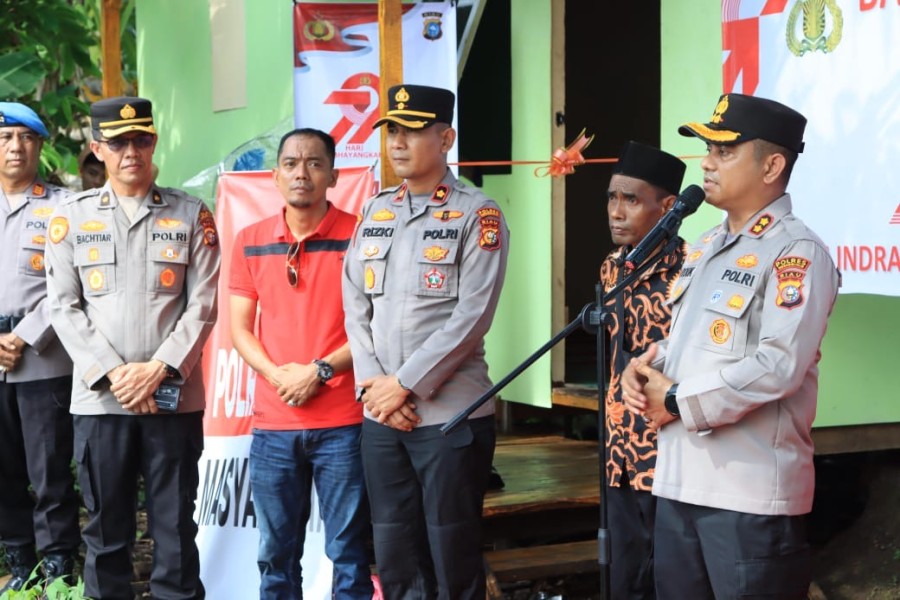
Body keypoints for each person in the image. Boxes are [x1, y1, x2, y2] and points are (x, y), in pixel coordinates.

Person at [621, 93, 840, 599]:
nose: (707, 163)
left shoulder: (796, 251)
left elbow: (778, 364)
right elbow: (700, 341)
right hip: (679, 481)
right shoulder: (706, 245)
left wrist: (675, 399)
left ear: (772, 166)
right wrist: (647, 364)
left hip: (748, 495)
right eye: (708, 150)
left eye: (724, 151)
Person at [44, 96, 220, 599]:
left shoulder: (191, 214)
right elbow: (63, 307)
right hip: (102, 401)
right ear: (98, 148)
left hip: (172, 400)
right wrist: (116, 373)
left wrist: (158, 369)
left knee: (175, 529)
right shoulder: (70, 218)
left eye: (141, 140)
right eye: (118, 143)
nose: (131, 152)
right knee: (106, 532)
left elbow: (204, 304)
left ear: (153, 143)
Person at [342, 84, 509, 599]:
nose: (397, 142)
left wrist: (405, 385)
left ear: (446, 138)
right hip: (381, 416)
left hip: (449, 417)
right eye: (392, 130)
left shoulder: (476, 214)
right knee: (395, 554)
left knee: (451, 554)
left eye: (412, 131)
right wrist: (376, 386)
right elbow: (354, 303)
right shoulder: (375, 211)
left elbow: (472, 315)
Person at [229, 128, 372, 599]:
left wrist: (319, 371)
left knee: (349, 552)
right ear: (275, 175)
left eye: (314, 163)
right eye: (291, 163)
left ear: (333, 175)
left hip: (345, 422)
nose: (301, 173)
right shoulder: (250, 240)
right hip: (274, 425)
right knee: (276, 555)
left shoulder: (361, 235)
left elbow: (374, 325)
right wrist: (278, 376)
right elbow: (240, 329)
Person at [0, 102, 81, 593]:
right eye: (5, 138)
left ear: (40, 147)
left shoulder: (64, 207)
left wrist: (24, 335)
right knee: (3, 472)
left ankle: (57, 572)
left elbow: (71, 283)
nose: (16, 147)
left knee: (49, 472)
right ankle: (19, 568)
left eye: (26, 138)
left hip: (43, 361)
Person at [600, 140, 686, 599]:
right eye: (612, 198)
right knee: (622, 573)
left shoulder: (689, 271)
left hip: (668, 449)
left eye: (631, 200)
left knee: (669, 575)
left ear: (667, 207)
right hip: (618, 449)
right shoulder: (612, 269)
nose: (616, 212)